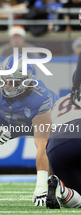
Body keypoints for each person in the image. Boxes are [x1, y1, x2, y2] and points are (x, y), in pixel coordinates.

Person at [0, 54, 59, 206]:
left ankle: (52, 187)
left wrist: (41, 186)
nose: (7, 84)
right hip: (11, 119)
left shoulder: (39, 97)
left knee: (52, 151)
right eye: (5, 79)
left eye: (14, 81)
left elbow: (42, 146)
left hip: (40, 120)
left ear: (27, 82)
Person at [46, 52, 81, 209]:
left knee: (77, 194)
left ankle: (63, 190)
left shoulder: (59, 102)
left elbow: (48, 140)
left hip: (56, 148)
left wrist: (51, 177)